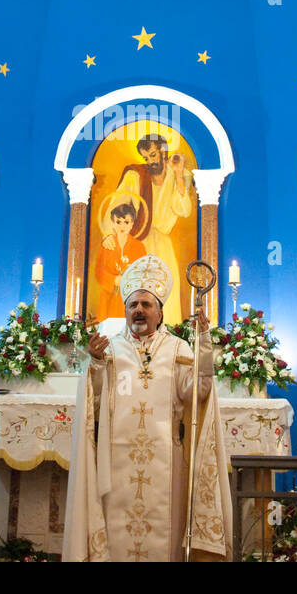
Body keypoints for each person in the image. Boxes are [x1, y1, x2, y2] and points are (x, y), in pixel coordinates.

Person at [63, 254, 232, 561]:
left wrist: (204, 343)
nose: (138, 310)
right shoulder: (110, 349)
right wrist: (96, 365)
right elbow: (95, 404)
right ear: (126, 311)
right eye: (133, 305)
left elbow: (198, 392)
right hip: (117, 460)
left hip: (166, 459)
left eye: (146, 305)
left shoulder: (178, 348)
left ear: (160, 313)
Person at [115, 134, 195, 325]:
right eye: (146, 157)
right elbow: (117, 206)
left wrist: (178, 173)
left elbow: (184, 210)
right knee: (137, 292)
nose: (150, 161)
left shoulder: (180, 174)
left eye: (152, 155)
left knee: (167, 294)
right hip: (138, 244)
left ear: (163, 150)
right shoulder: (135, 175)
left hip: (163, 247)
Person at [93, 191, 147, 320]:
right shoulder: (107, 245)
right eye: (118, 222)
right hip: (108, 300)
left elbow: (144, 273)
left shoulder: (139, 247)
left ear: (132, 223)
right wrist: (113, 280)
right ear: (112, 223)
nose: (122, 226)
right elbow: (98, 272)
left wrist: (128, 280)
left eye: (126, 222)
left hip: (131, 300)